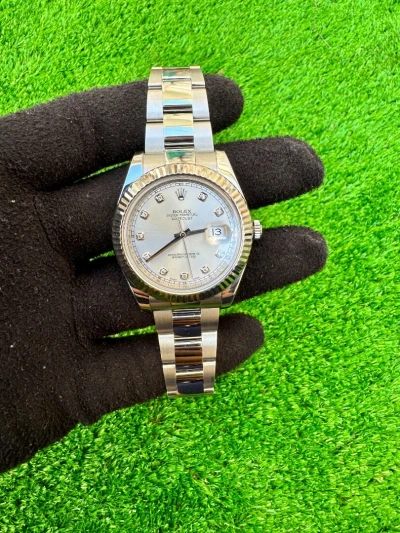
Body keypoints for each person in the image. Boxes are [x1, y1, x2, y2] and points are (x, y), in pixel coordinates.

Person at [0, 74, 327, 472]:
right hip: (161, 272)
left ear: (249, 230)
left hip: (188, 269)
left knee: (195, 97)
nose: (183, 231)